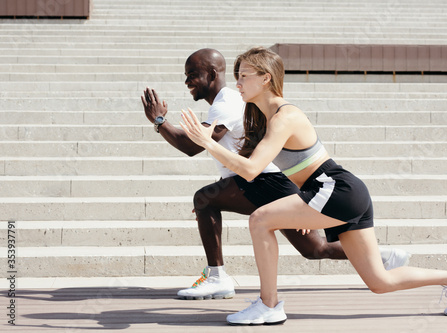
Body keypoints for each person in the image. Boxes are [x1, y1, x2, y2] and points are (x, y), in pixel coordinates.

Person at [179, 46, 447, 325]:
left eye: (244, 76)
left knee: (260, 220)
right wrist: (298, 210)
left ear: (266, 78)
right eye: (237, 77)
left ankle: (268, 305)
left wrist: (208, 142)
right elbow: (271, 169)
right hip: (339, 193)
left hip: (335, 189)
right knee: (379, 282)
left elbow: (251, 170)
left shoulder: (285, 117)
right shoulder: (265, 117)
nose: (239, 84)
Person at [142, 48, 409, 301]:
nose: (187, 81)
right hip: (272, 180)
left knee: (204, 199)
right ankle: (384, 257)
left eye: (192, 74)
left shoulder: (227, 103)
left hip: (265, 180)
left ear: (212, 74)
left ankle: (223, 281)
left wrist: (159, 121)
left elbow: (192, 145)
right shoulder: (239, 102)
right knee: (314, 249)